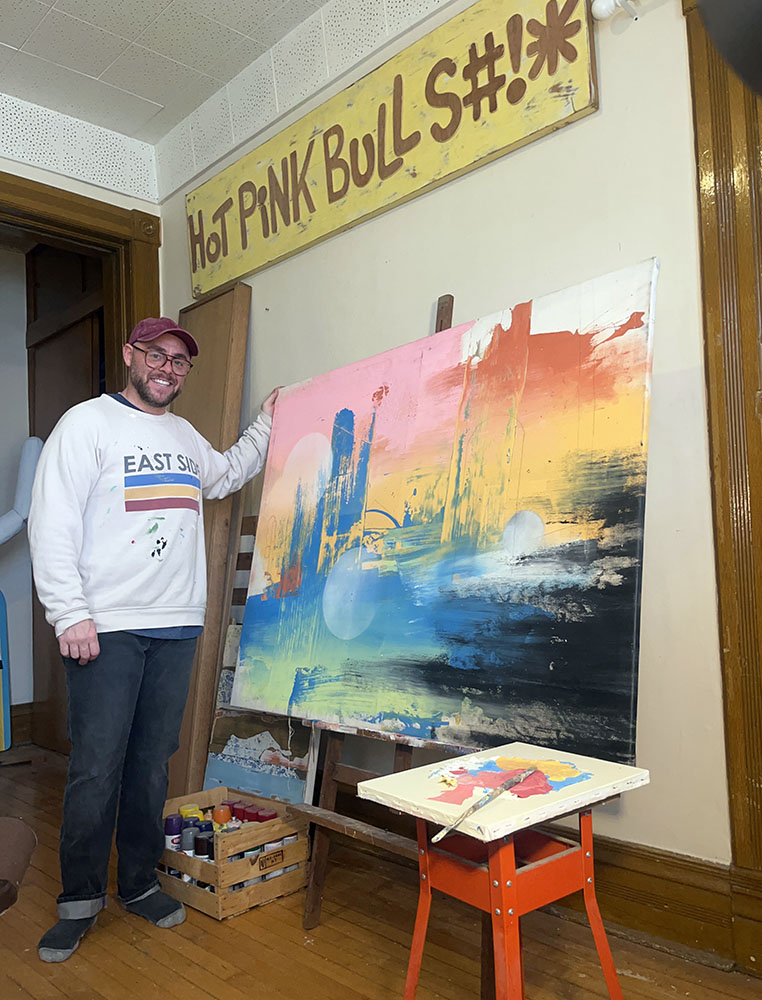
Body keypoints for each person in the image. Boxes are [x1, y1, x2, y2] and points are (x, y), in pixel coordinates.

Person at [28, 316, 279, 962]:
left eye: (179, 361)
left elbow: (224, 475)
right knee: (96, 767)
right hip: (104, 628)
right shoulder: (85, 426)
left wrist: (266, 423)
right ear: (130, 356)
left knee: (149, 766)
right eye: (156, 355)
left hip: (176, 626)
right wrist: (68, 613)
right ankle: (80, 900)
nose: (168, 368)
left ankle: (137, 883)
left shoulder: (185, 436)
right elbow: (50, 523)